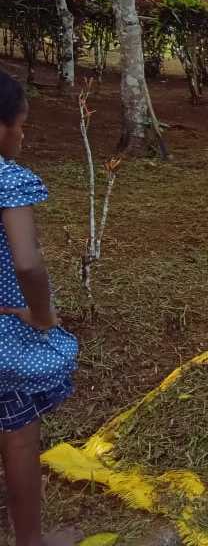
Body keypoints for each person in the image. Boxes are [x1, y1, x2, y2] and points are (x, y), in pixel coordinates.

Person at [0, 72, 79, 546]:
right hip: (4, 338)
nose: (23, 136)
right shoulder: (7, 180)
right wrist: (42, 314)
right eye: (21, 125)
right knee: (18, 436)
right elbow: (27, 263)